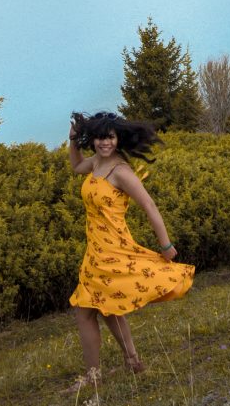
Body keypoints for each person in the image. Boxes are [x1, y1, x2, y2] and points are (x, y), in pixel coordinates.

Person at [68, 110, 194, 382]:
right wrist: (72, 142)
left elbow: (149, 205)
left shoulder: (121, 171)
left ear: (118, 139)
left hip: (113, 250)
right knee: (107, 307)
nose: (105, 143)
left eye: (110, 138)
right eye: (100, 138)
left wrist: (166, 244)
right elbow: (76, 166)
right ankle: (132, 361)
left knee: (85, 311)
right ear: (93, 140)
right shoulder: (95, 164)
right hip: (95, 251)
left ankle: (93, 377)